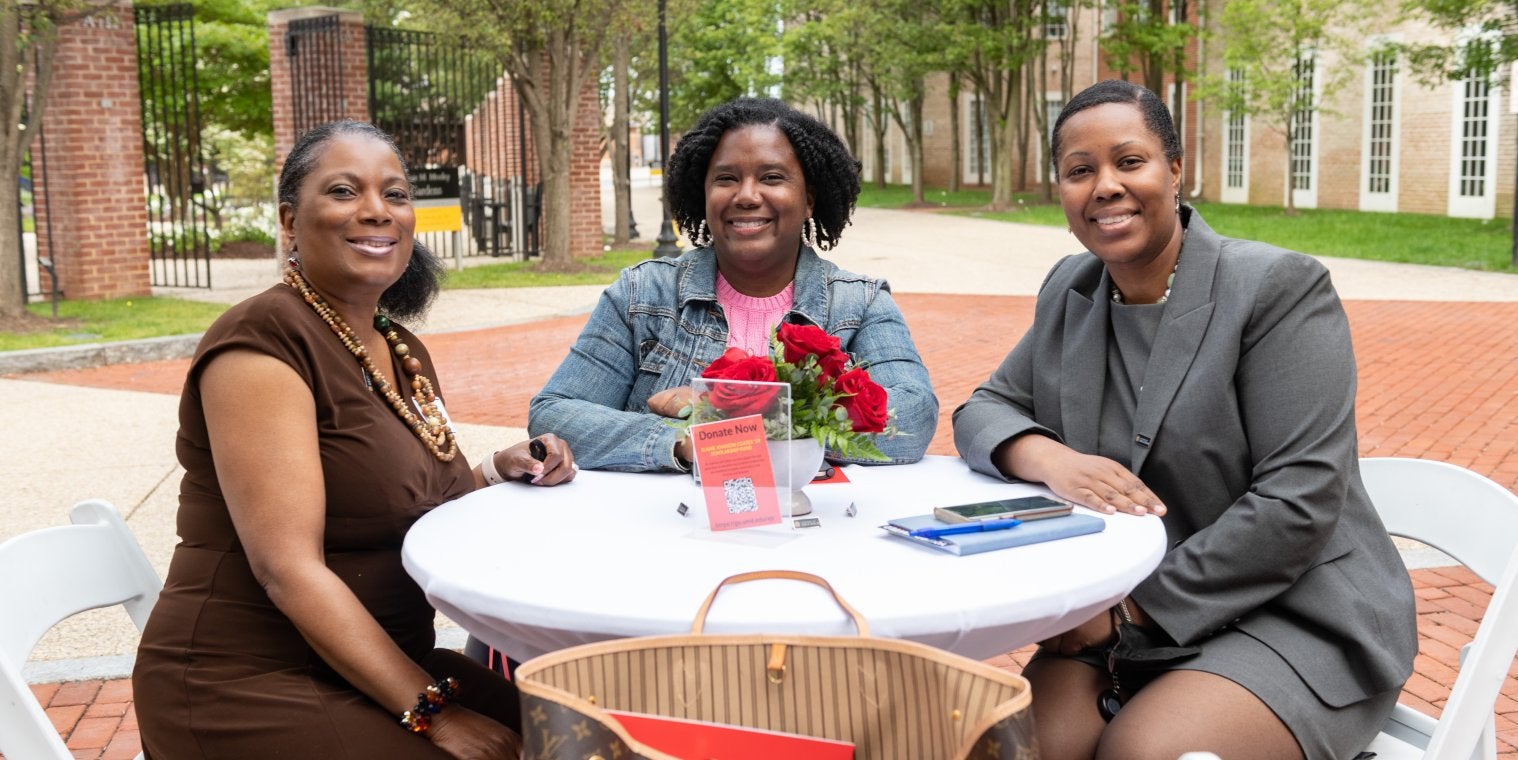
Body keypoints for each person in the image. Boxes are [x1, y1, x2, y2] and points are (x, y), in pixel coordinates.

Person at [952, 80, 1416, 760]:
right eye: (1080, 171)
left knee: (1142, 753)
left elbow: (1299, 501)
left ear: (1174, 169)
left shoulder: (1276, 290)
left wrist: (1121, 616)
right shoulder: (1072, 290)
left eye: (1129, 161)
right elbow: (983, 410)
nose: (1104, 186)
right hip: (1122, 622)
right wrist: (1052, 459)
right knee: (1005, 747)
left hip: (1295, 614)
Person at [132, 120, 576, 759]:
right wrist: (438, 715)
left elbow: (391, 501)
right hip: (248, 680)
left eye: (395, 194)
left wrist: (496, 470)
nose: (376, 211)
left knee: (584, 734)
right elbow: (287, 569)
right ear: (290, 220)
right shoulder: (262, 344)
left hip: (382, 662)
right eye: (343, 191)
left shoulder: (397, 346)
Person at [530, 97, 937, 471]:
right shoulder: (642, 294)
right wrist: (682, 443)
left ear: (809, 199)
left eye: (772, 177)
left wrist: (716, 414)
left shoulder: (859, 304)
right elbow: (556, 412)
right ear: (703, 193)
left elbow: (913, 417)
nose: (746, 195)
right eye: (725, 178)